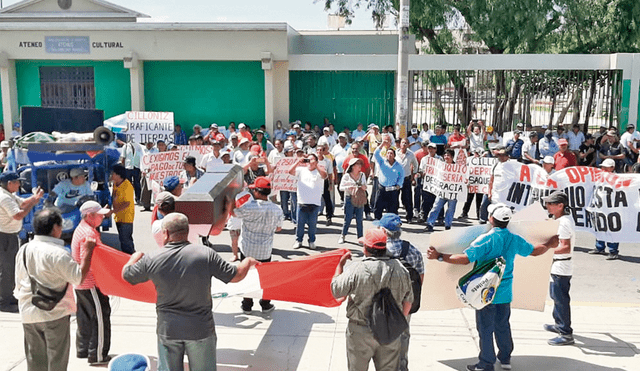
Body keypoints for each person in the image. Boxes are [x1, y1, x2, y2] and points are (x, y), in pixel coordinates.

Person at [427, 204, 557, 371]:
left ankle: (486, 363)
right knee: (503, 325)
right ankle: (505, 358)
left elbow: (465, 259)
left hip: (484, 293)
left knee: (485, 328)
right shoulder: (513, 239)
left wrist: (439, 257)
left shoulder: (486, 239)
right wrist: (550, 244)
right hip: (504, 292)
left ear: (491, 219)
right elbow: (535, 251)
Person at [122, 213, 258, 371]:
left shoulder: (153, 258)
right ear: (187, 231)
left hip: (168, 330)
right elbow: (236, 275)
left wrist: (135, 257)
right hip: (200, 330)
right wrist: (248, 261)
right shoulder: (205, 254)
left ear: (165, 233)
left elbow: (127, 275)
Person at [15, 208, 97, 370]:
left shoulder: (23, 250)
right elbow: (78, 277)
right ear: (55, 228)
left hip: (28, 313)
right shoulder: (59, 253)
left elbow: (19, 282)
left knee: (35, 363)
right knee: (57, 362)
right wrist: (87, 251)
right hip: (55, 314)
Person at [331, 228, 413, 371]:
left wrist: (340, 265)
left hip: (360, 331)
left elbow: (336, 291)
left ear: (366, 249)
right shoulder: (401, 270)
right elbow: (408, 301)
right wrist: (398, 323)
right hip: (390, 331)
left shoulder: (357, 269)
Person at [374, 213, 424, 371]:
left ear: (383, 230)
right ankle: (402, 366)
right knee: (403, 334)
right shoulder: (413, 251)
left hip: (382, 302)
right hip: (406, 303)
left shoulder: (376, 251)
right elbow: (420, 277)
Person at [232, 177, 283, 314]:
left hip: (247, 249)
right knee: (265, 278)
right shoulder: (277, 209)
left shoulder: (249, 207)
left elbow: (233, 213)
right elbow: (278, 228)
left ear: (258, 192)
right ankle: (265, 304)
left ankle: (247, 304)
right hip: (265, 250)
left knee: (247, 276)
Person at [71, 201, 113, 364]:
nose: (102, 217)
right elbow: (86, 260)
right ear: (90, 216)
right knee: (100, 317)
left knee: (84, 318)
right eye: (100, 214)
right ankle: (98, 354)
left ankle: (83, 349)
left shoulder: (81, 228)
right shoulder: (89, 234)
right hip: (90, 283)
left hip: (80, 283)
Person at [0, 172, 43, 312]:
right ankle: (3, 301)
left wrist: (34, 198)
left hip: (9, 235)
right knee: (7, 268)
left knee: (11, 267)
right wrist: (32, 204)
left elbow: (23, 202)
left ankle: (7, 295)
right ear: (9, 183)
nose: (19, 185)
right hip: (4, 236)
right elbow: (18, 214)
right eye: (16, 182)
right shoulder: (4, 197)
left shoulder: (9, 195)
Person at [541, 191, 576, 346]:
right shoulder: (560, 219)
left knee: (561, 299)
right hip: (558, 264)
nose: (547, 206)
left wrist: (546, 250)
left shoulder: (563, 223)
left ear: (560, 206)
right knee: (556, 296)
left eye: (550, 203)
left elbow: (565, 247)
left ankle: (565, 333)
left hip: (561, 266)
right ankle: (558, 324)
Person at [289, 154, 327, 250]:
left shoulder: (319, 171)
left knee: (312, 225)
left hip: (314, 202)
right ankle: (298, 240)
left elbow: (325, 175)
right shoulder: (301, 170)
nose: (310, 162)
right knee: (300, 224)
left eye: (312, 160)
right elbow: (290, 171)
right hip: (302, 201)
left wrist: (316, 165)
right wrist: (298, 161)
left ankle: (312, 241)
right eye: (308, 160)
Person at [588, 158, 620, 259]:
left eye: (606, 168)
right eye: (603, 167)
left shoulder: (618, 178)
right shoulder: (599, 177)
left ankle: (613, 251)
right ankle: (599, 247)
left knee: (612, 228)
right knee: (599, 226)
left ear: (612, 168)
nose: (603, 169)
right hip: (600, 206)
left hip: (612, 207)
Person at [424, 149, 458, 232]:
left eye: (448, 155)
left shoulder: (457, 168)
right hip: (441, 191)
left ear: (452, 157)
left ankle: (448, 226)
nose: (446, 157)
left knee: (451, 209)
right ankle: (430, 224)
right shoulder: (440, 166)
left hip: (452, 193)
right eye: (445, 155)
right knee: (436, 207)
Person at [372, 136, 404, 220]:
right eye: (388, 153)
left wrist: (399, 185)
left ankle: (391, 222)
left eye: (391, 153)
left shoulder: (398, 166)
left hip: (393, 189)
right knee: (378, 207)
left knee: (392, 208)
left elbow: (401, 176)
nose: (389, 155)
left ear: (394, 155)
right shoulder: (382, 162)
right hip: (382, 188)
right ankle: (378, 221)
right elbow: (375, 153)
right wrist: (382, 144)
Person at [479, 146, 511, 224]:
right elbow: (491, 180)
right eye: (499, 155)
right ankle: (482, 221)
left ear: (507, 156)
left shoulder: (511, 167)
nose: (500, 157)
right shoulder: (496, 165)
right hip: (494, 192)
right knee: (484, 205)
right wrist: (489, 192)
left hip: (504, 195)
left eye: (502, 155)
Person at [338, 158, 367, 244]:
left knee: (359, 219)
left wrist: (362, 187)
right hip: (349, 198)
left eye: (360, 164)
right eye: (357, 164)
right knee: (348, 218)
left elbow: (365, 186)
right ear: (353, 166)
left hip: (359, 198)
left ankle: (360, 238)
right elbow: (341, 187)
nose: (359, 166)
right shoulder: (347, 176)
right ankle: (343, 235)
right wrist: (349, 187)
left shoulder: (362, 175)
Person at [110, 164, 135, 254]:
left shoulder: (127, 186)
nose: (111, 175)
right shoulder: (116, 184)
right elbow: (113, 196)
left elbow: (126, 204)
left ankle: (133, 259)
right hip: (118, 217)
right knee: (122, 240)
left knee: (126, 242)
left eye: (113, 173)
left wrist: (112, 211)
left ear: (118, 174)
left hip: (126, 218)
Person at [396, 139, 418, 223]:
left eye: (406, 143)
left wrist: (414, 175)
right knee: (394, 199)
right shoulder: (395, 153)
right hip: (396, 180)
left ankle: (409, 217)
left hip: (406, 179)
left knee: (407, 199)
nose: (404, 144)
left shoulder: (411, 154)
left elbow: (415, 165)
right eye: (402, 143)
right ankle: (395, 216)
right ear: (400, 144)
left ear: (408, 144)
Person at [119, 139, 145, 205]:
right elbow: (123, 158)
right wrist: (122, 168)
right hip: (128, 167)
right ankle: (128, 199)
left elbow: (142, 157)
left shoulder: (139, 146)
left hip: (136, 167)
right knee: (128, 184)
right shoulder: (126, 146)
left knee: (137, 184)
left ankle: (138, 199)